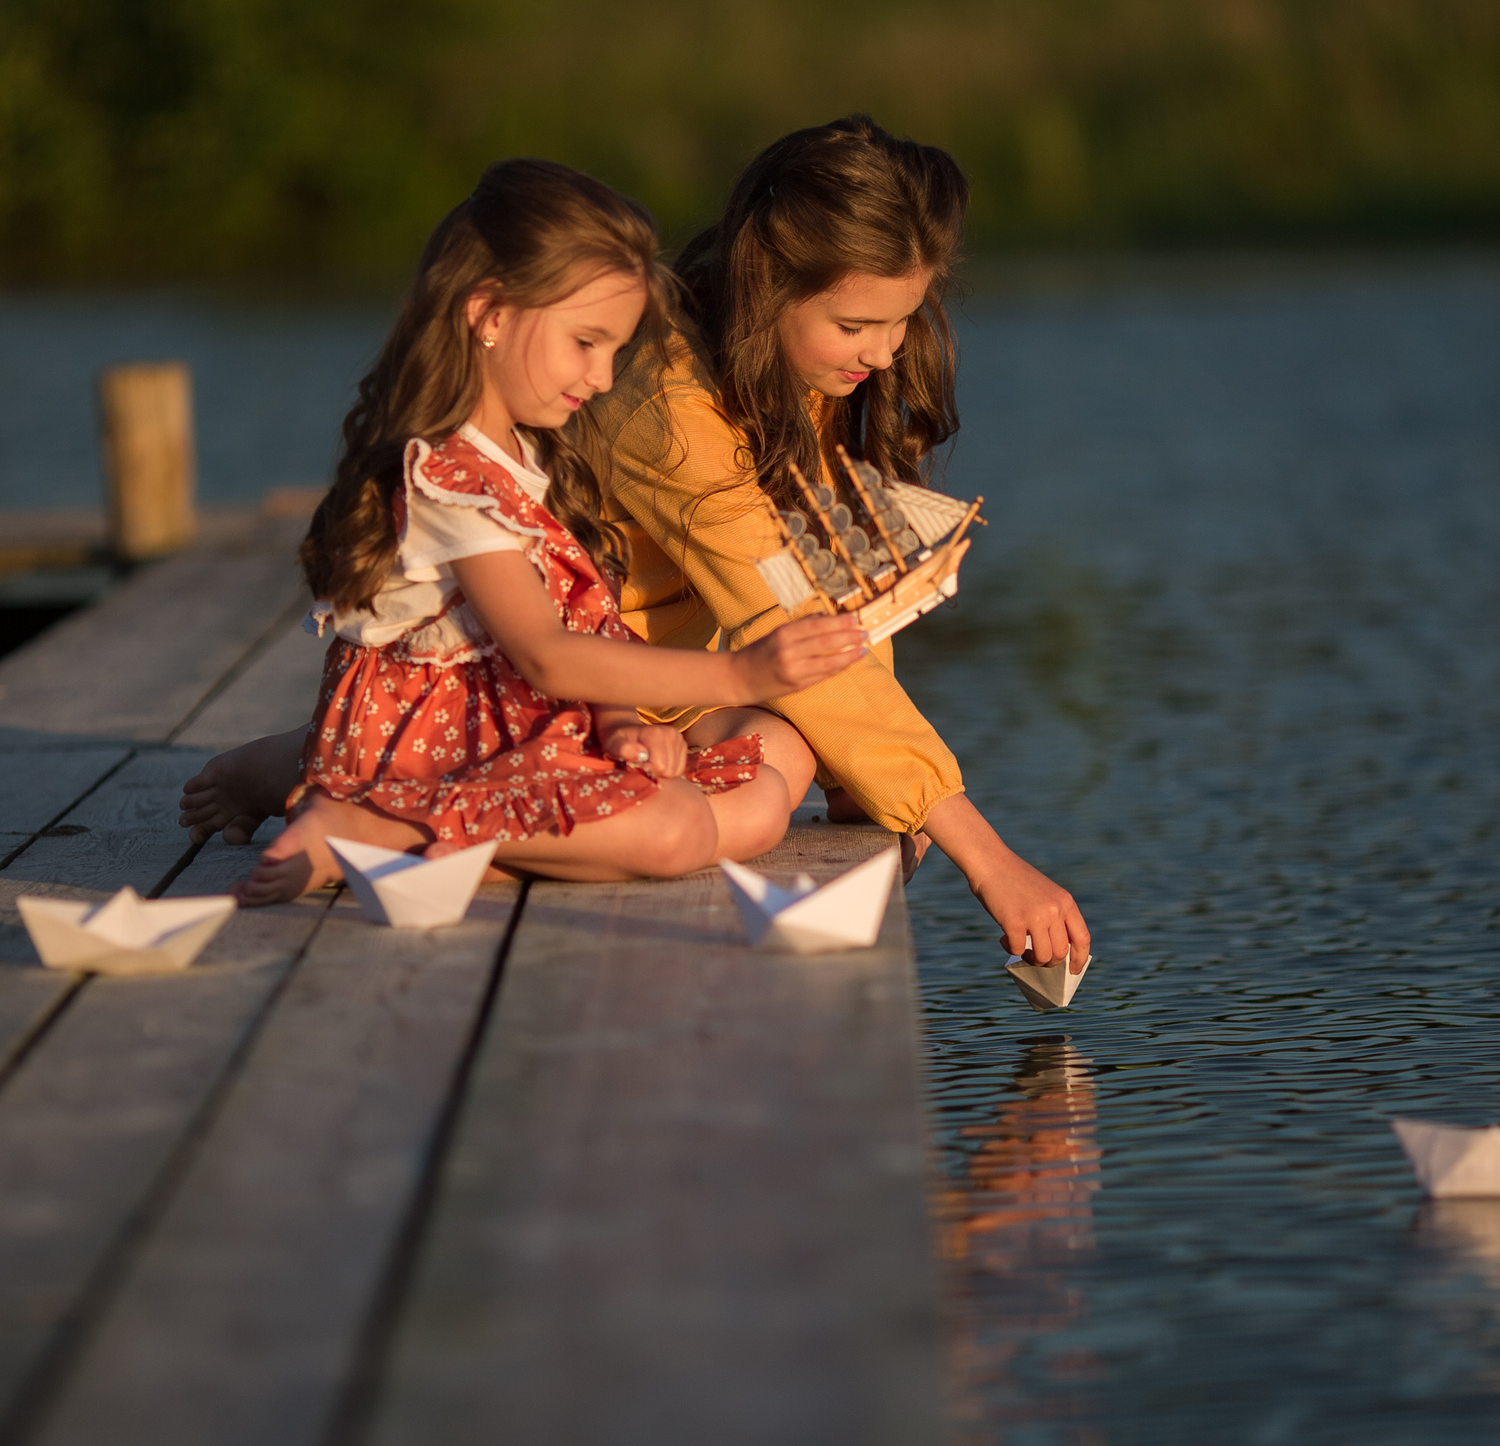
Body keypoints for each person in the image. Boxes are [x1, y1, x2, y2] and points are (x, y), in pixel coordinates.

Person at [183, 116, 1089, 971]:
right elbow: (775, 607)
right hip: (552, 691)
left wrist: (878, 782)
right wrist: (985, 853)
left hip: (627, 692)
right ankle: (343, 788)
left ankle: (357, 784)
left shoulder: (786, 365)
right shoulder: (662, 413)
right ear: (771, 285)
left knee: (784, 760)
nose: (886, 354)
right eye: (856, 327)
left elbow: (828, 586)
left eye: (902, 320)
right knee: (684, 817)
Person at [225, 157, 865, 906]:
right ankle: (372, 827)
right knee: (678, 834)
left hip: (525, 728)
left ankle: (380, 827)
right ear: (491, 315)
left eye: (615, 350)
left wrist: (621, 722)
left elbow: (584, 624)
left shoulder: (528, 454)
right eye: (585, 342)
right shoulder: (451, 480)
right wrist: (739, 676)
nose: (600, 377)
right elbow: (548, 655)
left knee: (765, 788)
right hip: (443, 750)